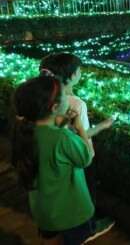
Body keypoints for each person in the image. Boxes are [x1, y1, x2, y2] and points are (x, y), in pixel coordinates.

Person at [11, 76, 114, 244]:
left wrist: (63, 122)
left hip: (43, 210)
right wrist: (79, 126)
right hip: (72, 213)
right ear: (55, 107)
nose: (68, 96)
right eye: (65, 95)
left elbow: (48, 140)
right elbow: (86, 158)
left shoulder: (25, 131)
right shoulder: (62, 137)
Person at [39, 53, 113, 204]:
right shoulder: (76, 104)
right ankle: (90, 222)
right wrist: (103, 125)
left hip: (56, 159)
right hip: (78, 154)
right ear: (72, 76)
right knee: (86, 189)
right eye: (79, 71)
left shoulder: (43, 96)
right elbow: (82, 135)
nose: (81, 73)